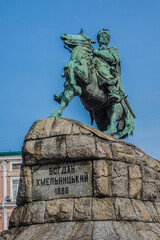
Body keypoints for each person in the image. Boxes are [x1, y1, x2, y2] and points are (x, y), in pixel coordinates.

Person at [93, 29, 126, 103]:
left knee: (102, 69)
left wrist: (99, 53)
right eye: (102, 36)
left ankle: (113, 91)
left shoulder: (111, 49)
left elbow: (114, 59)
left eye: (106, 37)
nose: (104, 38)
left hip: (107, 69)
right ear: (98, 39)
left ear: (108, 40)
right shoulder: (94, 51)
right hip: (95, 68)